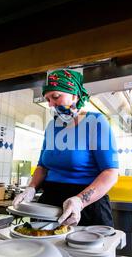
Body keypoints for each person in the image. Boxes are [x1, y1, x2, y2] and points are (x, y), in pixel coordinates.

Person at [13, 69, 119, 226]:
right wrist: (31, 188)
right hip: (49, 205)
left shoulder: (96, 122)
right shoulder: (51, 126)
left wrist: (80, 201)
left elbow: (110, 173)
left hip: (87, 206)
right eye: (47, 99)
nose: (50, 104)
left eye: (55, 97)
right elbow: (42, 166)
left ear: (74, 95)